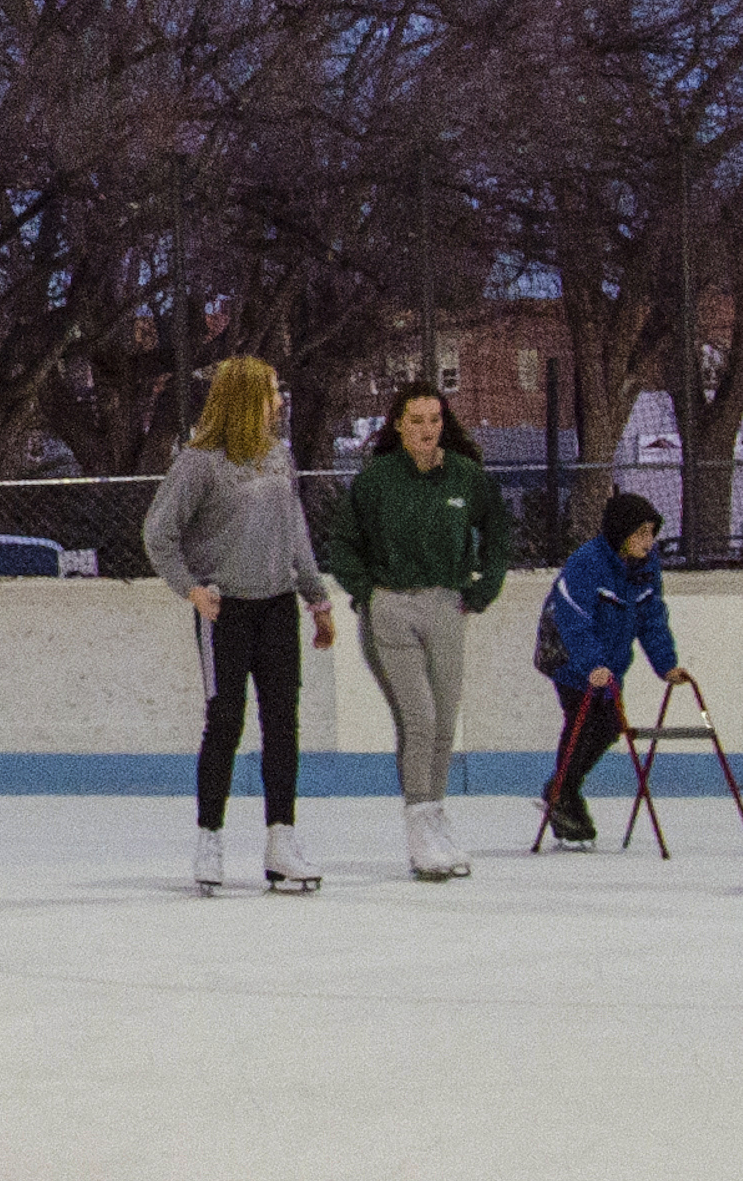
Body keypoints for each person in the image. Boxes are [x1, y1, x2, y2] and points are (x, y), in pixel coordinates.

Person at [144, 354, 335, 896]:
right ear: (248, 397)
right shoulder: (199, 463)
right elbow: (158, 532)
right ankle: (210, 837)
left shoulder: (278, 456)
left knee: (282, 723)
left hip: (277, 607)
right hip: (224, 611)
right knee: (225, 721)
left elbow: (295, 531)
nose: (279, 400)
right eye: (272, 391)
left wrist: (316, 598)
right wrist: (190, 587)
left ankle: (282, 840)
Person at [328, 383, 506, 881]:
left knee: (444, 722)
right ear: (398, 425)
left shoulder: (466, 476)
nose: (427, 430)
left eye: (435, 419)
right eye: (417, 420)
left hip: (446, 604)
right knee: (419, 718)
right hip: (392, 608)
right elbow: (342, 542)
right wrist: (368, 592)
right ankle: (418, 824)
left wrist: (484, 587)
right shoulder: (376, 480)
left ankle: (435, 815)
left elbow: (498, 531)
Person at [524, 495, 692, 855]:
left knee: (610, 725)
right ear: (620, 533)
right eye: (641, 533)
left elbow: (652, 618)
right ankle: (562, 794)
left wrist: (666, 665)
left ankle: (561, 789)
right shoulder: (586, 563)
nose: (649, 541)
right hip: (567, 653)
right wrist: (592, 665)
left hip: (608, 661)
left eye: (652, 533)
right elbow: (574, 620)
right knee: (584, 720)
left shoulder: (647, 566)